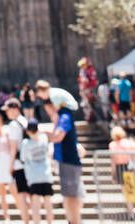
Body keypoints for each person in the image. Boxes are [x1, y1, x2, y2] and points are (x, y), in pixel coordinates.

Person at [42, 95, 86, 224]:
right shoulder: (62, 117)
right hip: (65, 161)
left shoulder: (64, 116)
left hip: (68, 161)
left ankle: (75, 221)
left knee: (71, 195)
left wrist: (42, 134)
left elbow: (58, 136)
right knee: (68, 195)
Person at [2, 97, 31, 224]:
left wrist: (10, 165)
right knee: (27, 194)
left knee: (21, 195)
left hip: (19, 164)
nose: (6, 113)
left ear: (15, 109)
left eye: (8, 110)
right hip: (29, 162)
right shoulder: (25, 121)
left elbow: (13, 147)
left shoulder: (14, 125)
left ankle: (26, 221)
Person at [19, 119, 54, 224]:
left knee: (36, 205)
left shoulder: (25, 143)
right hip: (46, 174)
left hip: (34, 177)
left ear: (28, 131)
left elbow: (23, 158)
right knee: (48, 204)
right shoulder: (43, 138)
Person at [108, 124, 135, 215]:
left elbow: (113, 160)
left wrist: (113, 173)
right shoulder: (127, 142)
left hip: (120, 167)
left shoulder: (112, 145)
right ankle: (130, 209)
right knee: (129, 188)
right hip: (128, 166)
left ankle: (130, 208)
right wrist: (133, 158)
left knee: (125, 189)